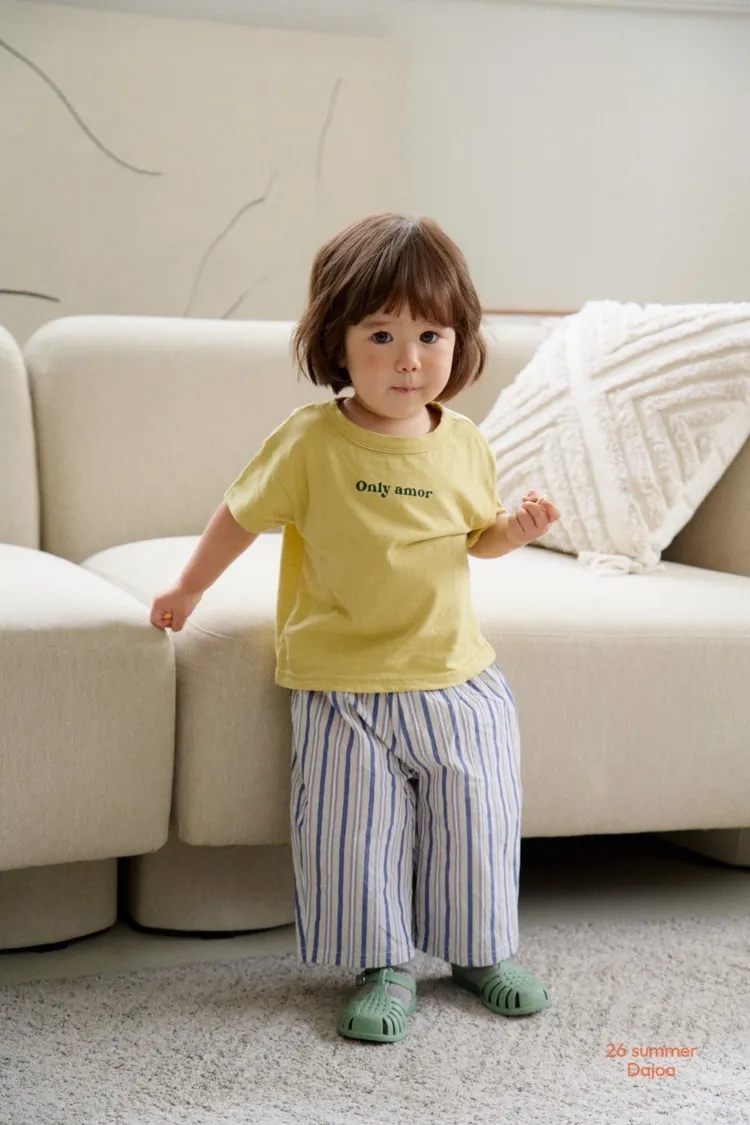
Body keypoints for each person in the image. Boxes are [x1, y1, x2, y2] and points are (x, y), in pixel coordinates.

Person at [150, 213, 560, 1044]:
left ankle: (480, 950)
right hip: (341, 685)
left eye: (430, 335)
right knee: (351, 830)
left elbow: (475, 537)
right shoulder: (311, 441)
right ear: (336, 341)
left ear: (460, 340)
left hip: (454, 675)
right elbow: (239, 513)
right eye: (382, 335)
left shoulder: (465, 443)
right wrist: (188, 587)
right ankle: (382, 965)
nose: (409, 359)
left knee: (477, 815)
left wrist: (512, 531)